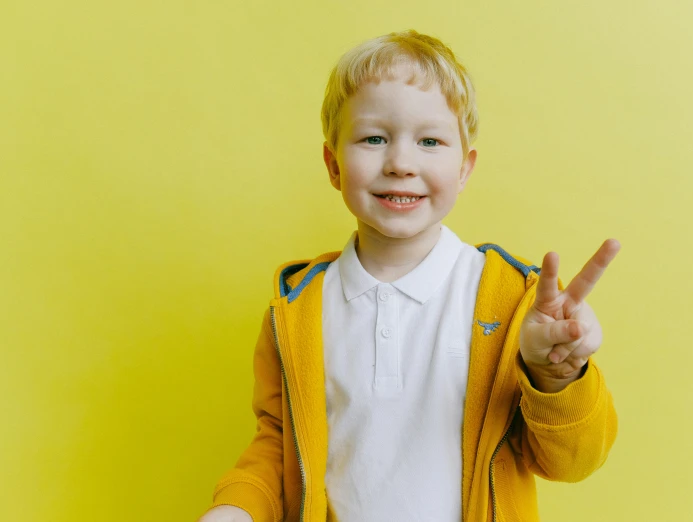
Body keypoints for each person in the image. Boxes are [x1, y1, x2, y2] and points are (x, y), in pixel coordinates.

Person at [198, 29, 621, 522]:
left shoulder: (513, 304)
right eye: (374, 138)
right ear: (334, 165)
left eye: (430, 141)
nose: (401, 163)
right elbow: (277, 444)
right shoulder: (296, 311)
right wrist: (236, 509)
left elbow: (573, 463)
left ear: (464, 170)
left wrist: (555, 376)